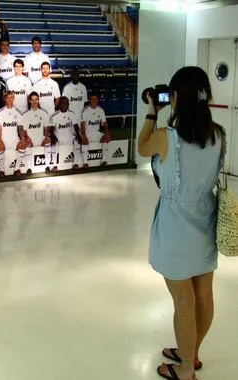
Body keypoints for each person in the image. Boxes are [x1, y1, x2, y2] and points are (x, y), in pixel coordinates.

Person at [138, 66, 224, 380]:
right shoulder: (217, 134)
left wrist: (151, 111)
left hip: (175, 225)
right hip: (205, 220)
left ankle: (186, 369)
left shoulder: (166, 137)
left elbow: (141, 146)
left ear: (175, 99)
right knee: (204, 296)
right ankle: (192, 352)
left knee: (183, 301)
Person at [0, 91, 25, 177]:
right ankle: (2, 170)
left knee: (23, 144)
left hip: (14, 140)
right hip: (4, 140)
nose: (9, 99)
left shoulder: (18, 112)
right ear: (4, 99)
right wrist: (0, 140)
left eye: (11, 97)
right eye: (7, 97)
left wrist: (22, 138)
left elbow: (20, 128)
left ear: (14, 99)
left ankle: (17, 169)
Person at [22, 91, 51, 174]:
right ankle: (28, 168)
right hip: (31, 139)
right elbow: (24, 130)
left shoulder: (43, 113)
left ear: (38, 100)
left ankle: (47, 166)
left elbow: (47, 127)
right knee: (26, 142)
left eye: (36, 100)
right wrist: (27, 138)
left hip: (40, 138)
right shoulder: (25, 115)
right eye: (33, 100)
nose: (35, 102)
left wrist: (45, 136)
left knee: (48, 139)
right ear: (29, 101)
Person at [80, 93, 111, 168]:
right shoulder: (85, 110)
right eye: (92, 99)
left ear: (97, 100)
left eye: (95, 99)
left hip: (96, 132)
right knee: (84, 141)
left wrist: (107, 133)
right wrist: (84, 135)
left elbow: (104, 123)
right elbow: (82, 124)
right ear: (90, 100)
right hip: (87, 132)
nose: (94, 101)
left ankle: (104, 161)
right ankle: (85, 163)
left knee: (106, 138)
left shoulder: (100, 110)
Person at [49, 96, 79, 172]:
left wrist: (78, 135)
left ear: (68, 104)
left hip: (69, 137)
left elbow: (76, 126)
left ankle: (75, 163)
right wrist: (53, 137)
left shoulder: (72, 114)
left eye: (66, 103)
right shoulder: (54, 116)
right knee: (53, 142)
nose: (64, 105)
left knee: (77, 140)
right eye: (62, 103)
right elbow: (51, 129)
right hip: (59, 138)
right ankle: (54, 165)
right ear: (59, 104)